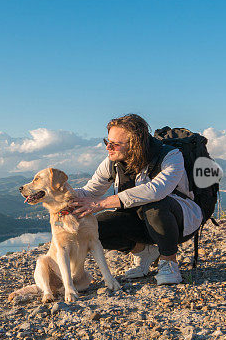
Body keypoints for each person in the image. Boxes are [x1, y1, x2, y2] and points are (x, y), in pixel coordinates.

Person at [70, 114, 203, 285]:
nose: (108, 148)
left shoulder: (171, 156)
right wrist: (57, 192)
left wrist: (101, 204)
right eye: (107, 142)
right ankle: (144, 252)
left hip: (178, 221)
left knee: (154, 205)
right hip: (140, 221)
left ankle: (169, 262)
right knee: (95, 228)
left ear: (135, 145)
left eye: (115, 144)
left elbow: (156, 190)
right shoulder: (111, 162)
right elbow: (90, 191)